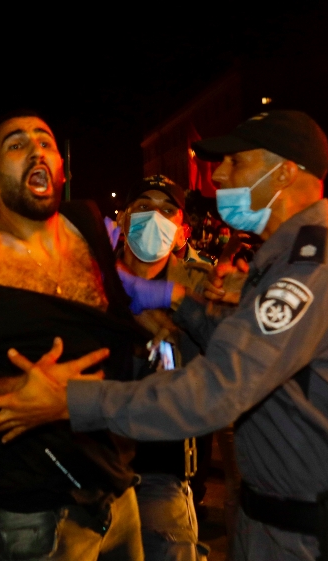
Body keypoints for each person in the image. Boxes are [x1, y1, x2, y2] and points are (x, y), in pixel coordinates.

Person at [0, 111, 328, 561]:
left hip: (315, 531)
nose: (218, 175)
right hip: (281, 520)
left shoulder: (312, 268)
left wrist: (70, 401)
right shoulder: (285, 259)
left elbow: (219, 387)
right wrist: (180, 303)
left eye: (235, 163)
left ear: (285, 171)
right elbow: (249, 346)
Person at [0, 112, 148, 561]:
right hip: (33, 512)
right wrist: (15, 390)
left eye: (45, 142)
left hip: (117, 485)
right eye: (16, 144)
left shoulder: (88, 225)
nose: (35, 150)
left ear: (60, 166)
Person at [116, 174, 209, 561]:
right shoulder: (89, 280)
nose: (155, 217)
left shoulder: (200, 286)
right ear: (122, 221)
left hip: (164, 475)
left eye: (167, 209)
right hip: (92, 475)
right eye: (143, 207)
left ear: (181, 229)